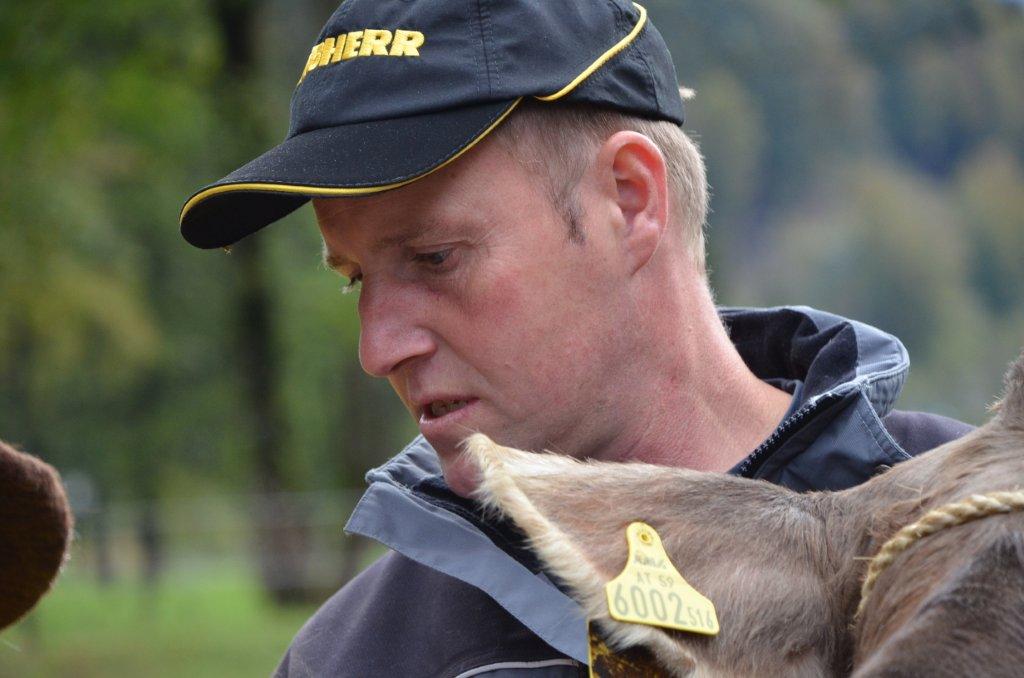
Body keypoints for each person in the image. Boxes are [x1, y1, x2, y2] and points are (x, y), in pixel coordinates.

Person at [180, 1, 973, 675]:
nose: (377, 350)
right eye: (356, 278)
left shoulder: (983, 533)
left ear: (629, 200)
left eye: (434, 257)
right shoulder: (355, 659)